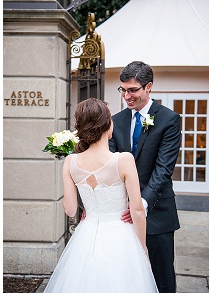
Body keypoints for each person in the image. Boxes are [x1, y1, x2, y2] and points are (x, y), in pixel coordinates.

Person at [45, 98, 158, 293]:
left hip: (86, 236)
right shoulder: (123, 159)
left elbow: (70, 209)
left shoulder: (70, 161)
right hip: (121, 236)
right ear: (107, 124)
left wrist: (89, 207)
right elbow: (137, 210)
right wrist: (142, 251)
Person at [110, 61, 181, 293]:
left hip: (157, 211)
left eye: (133, 90)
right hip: (121, 213)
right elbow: (110, 163)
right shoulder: (116, 121)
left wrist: (141, 203)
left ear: (148, 87)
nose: (127, 96)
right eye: (123, 90)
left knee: (162, 276)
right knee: (125, 273)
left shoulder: (169, 119)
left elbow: (164, 169)